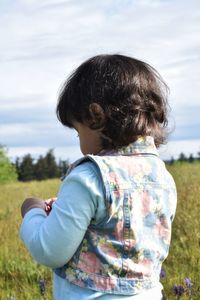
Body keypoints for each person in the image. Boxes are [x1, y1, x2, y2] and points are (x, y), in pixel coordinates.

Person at [20, 54, 177, 300]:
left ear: (95, 116)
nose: (79, 140)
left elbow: (49, 250)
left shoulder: (89, 176)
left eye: (77, 131)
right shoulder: (162, 177)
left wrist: (34, 211)